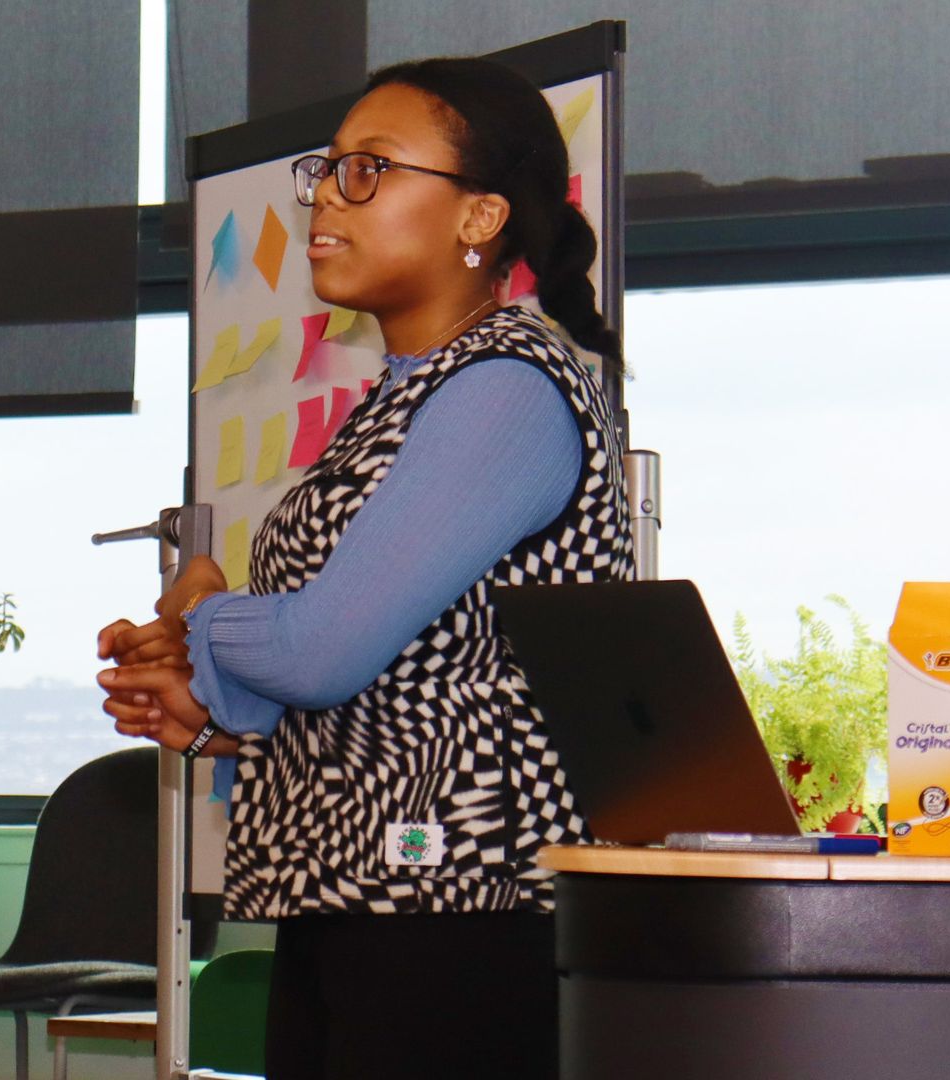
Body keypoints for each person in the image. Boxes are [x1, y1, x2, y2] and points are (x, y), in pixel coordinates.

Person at [96, 56, 632, 1079]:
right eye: (328, 170)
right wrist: (213, 705)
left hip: (460, 907)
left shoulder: (506, 388)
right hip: (353, 889)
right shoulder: (404, 395)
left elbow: (324, 648)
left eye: (370, 170)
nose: (326, 200)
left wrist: (204, 610)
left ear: (480, 217)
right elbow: (400, 675)